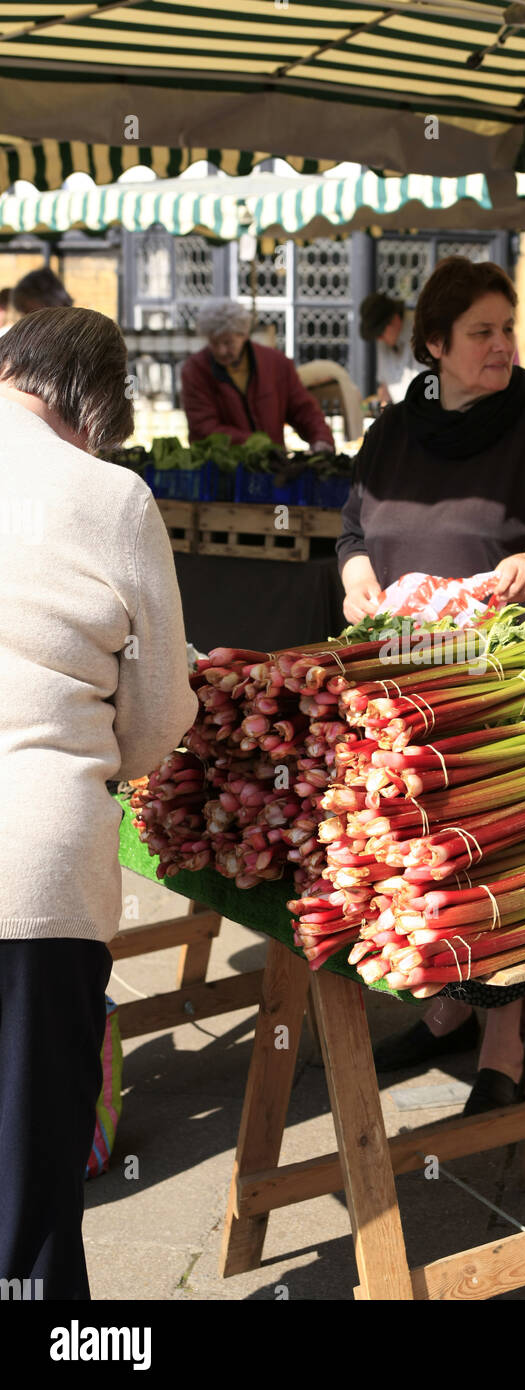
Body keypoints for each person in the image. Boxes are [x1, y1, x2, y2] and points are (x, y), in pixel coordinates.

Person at [337, 256, 525, 1114]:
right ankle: (442, 1013)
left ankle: (502, 1046)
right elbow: (353, 525)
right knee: (424, 856)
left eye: (507, 329)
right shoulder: (394, 430)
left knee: (494, 863)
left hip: (506, 694)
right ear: (435, 345)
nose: (501, 346)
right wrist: (355, 575)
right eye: (481, 333)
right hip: (402, 685)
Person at [0, 306, 198, 1299]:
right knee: (28, 1164)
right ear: (93, 404)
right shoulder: (108, 495)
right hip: (35, 868)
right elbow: (160, 712)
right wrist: (107, 751)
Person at [181, 300, 335, 451]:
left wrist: (321, 438)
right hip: (220, 467)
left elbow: (302, 409)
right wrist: (257, 444)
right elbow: (203, 427)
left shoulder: (276, 364)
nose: (221, 351)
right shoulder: (195, 370)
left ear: (244, 335)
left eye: (228, 343)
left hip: (271, 467)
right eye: (215, 343)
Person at [359, 292, 417, 406]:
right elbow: (384, 384)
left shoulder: (420, 331)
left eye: (380, 333)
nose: (379, 339)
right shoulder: (385, 338)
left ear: (395, 320)